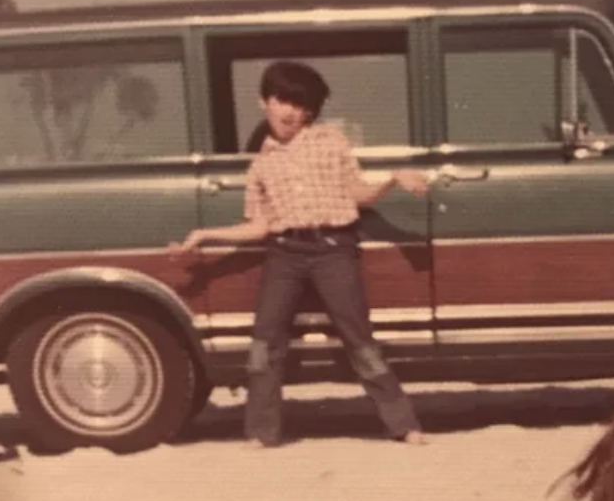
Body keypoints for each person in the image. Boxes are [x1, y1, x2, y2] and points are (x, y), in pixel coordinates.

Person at [168, 60, 430, 448]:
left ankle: (403, 425)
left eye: (301, 105)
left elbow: (357, 194)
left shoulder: (331, 141)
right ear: (264, 102)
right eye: (283, 100)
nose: (291, 112)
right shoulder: (260, 164)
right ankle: (261, 432)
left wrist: (391, 179)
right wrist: (204, 235)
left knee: (359, 339)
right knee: (265, 341)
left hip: (334, 250)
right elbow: (258, 227)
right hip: (284, 255)